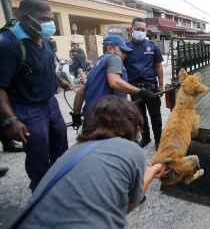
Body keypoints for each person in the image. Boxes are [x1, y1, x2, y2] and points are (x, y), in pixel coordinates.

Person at [10, 95, 168, 229]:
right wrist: (153, 171)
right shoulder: (132, 150)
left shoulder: (75, 150)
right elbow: (131, 203)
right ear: (131, 125)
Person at [0, 0, 71, 192]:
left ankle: (61, 183)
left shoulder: (42, 37)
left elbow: (46, 63)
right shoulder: (8, 44)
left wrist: (59, 80)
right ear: (25, 17)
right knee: (38, 150)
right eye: (44, 18)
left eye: (51, 19)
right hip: (27, 106)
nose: (49, 23)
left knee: (60, 140)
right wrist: (11, 120)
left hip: (50, 101)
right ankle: (41, 193)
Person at [72, 35, 156, 122]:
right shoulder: (114, 57)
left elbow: (80, 92)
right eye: (122, 51)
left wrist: (76, 115)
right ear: (110, 48)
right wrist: (141, 92)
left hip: (91, 118)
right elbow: (114, 82)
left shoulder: (98, 64)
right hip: (107, 118)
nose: (124, 54)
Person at [124, 17, 164, 150]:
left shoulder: (152, 46)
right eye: (137, 29)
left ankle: (159, 139)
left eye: (143, 29)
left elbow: (159, 66)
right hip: (134, 89)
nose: (140, 32)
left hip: (151, 87)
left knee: (156, 117)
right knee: (140, 117)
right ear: (132, 30)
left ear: (146, 30)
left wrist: (161, 85)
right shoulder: (126, 48)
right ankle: (146, 138)